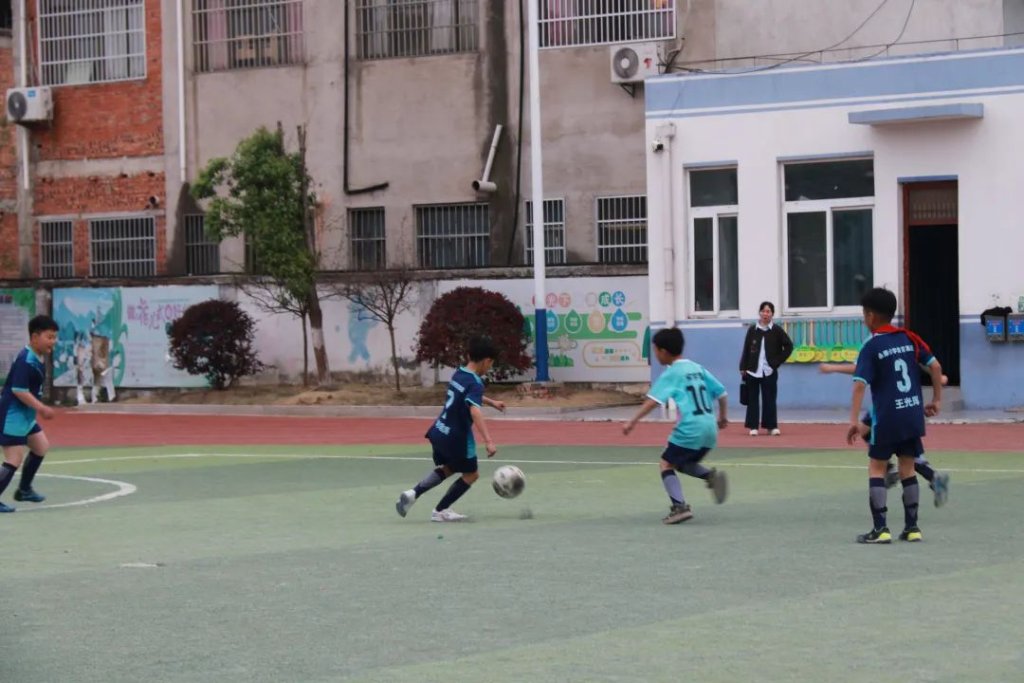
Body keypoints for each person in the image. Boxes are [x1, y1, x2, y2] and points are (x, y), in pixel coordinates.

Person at [846, 288, 942, 544]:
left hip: (886, 417)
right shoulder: (909, 338)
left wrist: (853, 421)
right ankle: (912, 528)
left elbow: (859, 384)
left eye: (864, 314)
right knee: (907, 468)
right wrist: (936, 400)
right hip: (912, 413)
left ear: (871, 315)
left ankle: (880, 529)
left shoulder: (871, 345)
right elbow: (935, 366)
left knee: (877, 468)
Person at [623, 328, 729, 524]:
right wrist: (723, 418)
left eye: (655, 350)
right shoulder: (697, 368)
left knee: (665, 463)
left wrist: (632, 421)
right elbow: (722, 393)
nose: (655, 354)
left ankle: (680, 507)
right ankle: (709, 476)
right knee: (681, 463)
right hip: (709, 429)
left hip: (690, 427)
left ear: (663, 351)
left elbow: (653, 401)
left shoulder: (672, 373)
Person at [395, 337, 506, 522]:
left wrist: (491, 402)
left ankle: (413, 493)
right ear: (487, 361)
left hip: (439, 430)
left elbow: (467, 394)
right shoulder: (476, 383)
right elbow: (475, 410)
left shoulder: (459, 373)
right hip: (457, 438)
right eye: (491, 363)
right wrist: (488, 441)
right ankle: (441, 510)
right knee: (471, 474)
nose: (490, 367)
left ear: (469, 355)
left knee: (450, 468)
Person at [822, 361, 950, 507]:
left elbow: (860, 368)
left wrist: (833, 368)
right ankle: (929, 475)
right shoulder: (906, 347)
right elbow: (921, 360)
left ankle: (904, 472)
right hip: (909, 402)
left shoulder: (874, 348)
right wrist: (936, 375)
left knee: (869, 433)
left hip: (889, 403)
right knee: (903, 445)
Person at [0, 315, 60, 512]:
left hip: (25, 416)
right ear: (35, 337)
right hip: (12, 416)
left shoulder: (37, 358)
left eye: (54, 337)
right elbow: (19, 390)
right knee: (14, 459)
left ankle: (24, 490)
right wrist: (42, 408)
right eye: (49, 337)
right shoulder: (25, 360)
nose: (53, 341)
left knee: (41, 446)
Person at [739, 301, 793, 436]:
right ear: (760, 313)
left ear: (772, 314)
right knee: (752, 399)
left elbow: (789, 346)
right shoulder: (752, 329)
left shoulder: (776, 330)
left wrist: (777, 362)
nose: (765, 314)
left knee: (769, 399)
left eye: (768, 311)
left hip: (769, 371)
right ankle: (753, 427)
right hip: (752, 370)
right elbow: (746, 348)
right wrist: (743, 366)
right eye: (763, 311)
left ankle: (771, 426)